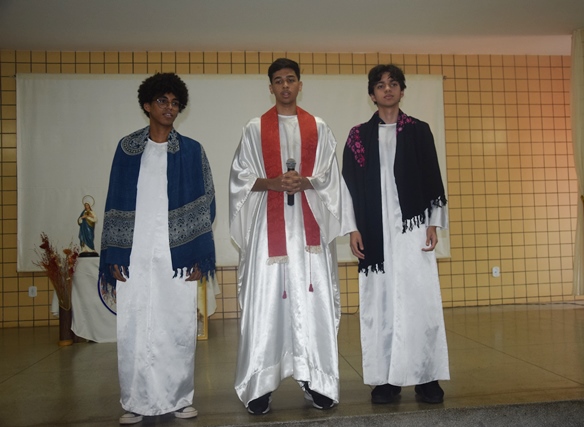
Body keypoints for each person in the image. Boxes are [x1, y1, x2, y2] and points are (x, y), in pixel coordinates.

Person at [98, 72, 216, 425]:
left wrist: (198, 255)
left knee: (178, 325)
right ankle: (135, 401)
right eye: (162, 101)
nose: (170, 107)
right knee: (134, 326)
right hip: (134, 253)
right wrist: (115, 253)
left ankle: (179, 398)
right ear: (147, 105)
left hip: (177, 253)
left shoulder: (192, 150)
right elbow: (114, 200)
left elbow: (206, 203)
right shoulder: (127, 148)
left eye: (175, 102)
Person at [229, 58, 343, 415]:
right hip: (269, 233)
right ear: (270, 87)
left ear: (300, 84)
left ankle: (316, 379)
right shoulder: (254, 129)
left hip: (309, 237)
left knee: (313, 302)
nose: (285, 86)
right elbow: (239, 180)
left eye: (290, 79)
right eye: (278, 81)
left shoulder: (319, 127)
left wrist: (306, 181)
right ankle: (260, 383)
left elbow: (331, 177)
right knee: (267, 303)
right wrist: (273, 183)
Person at [341, 64, 450, 405]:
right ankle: (385, 380)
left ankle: (426, 376)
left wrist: (433, 222)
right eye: (380, 85)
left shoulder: (419, 131)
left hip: (413, 229)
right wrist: (353, 228)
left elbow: (432, 178)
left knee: (421, 301)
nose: (387, 89)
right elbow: (347, 187)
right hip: (375, 234)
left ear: (402, 90)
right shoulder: (357, 137)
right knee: (380, 304)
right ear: (371, 95)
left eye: (393, 84)